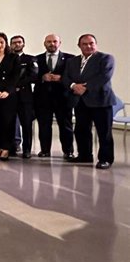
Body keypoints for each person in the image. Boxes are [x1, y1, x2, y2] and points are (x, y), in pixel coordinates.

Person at [62, 34, 116, 169]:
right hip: (80, 102)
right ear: (79, 46)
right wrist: (73, 86)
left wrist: (84, 88)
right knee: (81, 130)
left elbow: (104, 77)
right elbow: (66, 77)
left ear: (96, 44)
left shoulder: (105, 58)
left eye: (91, 43)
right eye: (85, 44)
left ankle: (105, 159)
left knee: (104, 132)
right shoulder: (72, 61)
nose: (88, 46)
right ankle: (85, 155)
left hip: (101, 101)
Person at [33, 34, 75, 159]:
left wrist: (61, 79)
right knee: (44, 125)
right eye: (49, 41)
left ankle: (68, 151)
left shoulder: (70, 59)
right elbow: (32, 76)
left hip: (63, 98)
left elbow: (74, 76)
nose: (52, 44)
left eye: (54, 41)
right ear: (44, 43)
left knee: (65, 126)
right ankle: (45, 150)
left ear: (59, 43)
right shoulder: (37, 59)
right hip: (43, 98)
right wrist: (42, 77)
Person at [9, 35, 38, 158]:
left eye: (19, 42)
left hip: (25, 97)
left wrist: (17, 85)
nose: (17, 44)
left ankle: (27, 150)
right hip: (10, 96)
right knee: (9, 123)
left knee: (26, 124)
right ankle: (12, 147)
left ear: (23, 44)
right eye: (14, 42)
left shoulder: (31, 59)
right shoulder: (7, 59)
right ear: (10, 45)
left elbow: (33, 76)